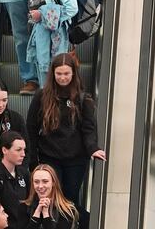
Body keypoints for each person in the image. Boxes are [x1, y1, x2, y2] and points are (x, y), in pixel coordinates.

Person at [26, 52, 106, 207]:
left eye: (67, 73)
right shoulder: (41, 96)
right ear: (52, 74)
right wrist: (32, 159)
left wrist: (93, 148)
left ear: (73, 74)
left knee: (70, 199)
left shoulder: (83, 99)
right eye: (59, 73)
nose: (63, 77)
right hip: (48, 156)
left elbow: (88, 128)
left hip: (76, 159)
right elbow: (31, 128)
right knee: (51, 199)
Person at [23, 164, 85, 229]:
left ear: (53, 182)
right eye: (36, 182)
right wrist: (36, 214)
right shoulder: (24, 207)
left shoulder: (68, 211)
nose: (40, 186)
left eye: (45, 181)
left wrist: (46, 215)